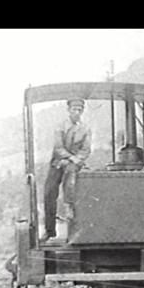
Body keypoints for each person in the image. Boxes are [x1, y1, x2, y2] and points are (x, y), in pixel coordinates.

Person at [41, 98, 91, 241]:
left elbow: (86, 149)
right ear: (68, 110)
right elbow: (58, 148)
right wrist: (70, 157)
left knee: (74, 189)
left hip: (74, 164)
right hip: (58, 163)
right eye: (74, 109)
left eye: (79, 110)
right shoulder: (61, 127)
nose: (77, 112)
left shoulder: (85, 129)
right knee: (49, 193)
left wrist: (76, 160)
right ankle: (50, 230)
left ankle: (74, 227)